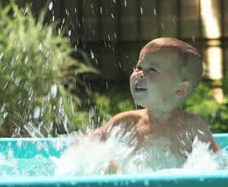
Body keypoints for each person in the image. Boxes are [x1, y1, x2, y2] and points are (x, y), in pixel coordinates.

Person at [92, 37, 221, 173]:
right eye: (138, 67)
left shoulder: (191, 126)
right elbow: (87, 145)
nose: (139, 74)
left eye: (152, 70)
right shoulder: (126, 122)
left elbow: (219, 164)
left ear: (181, 89)